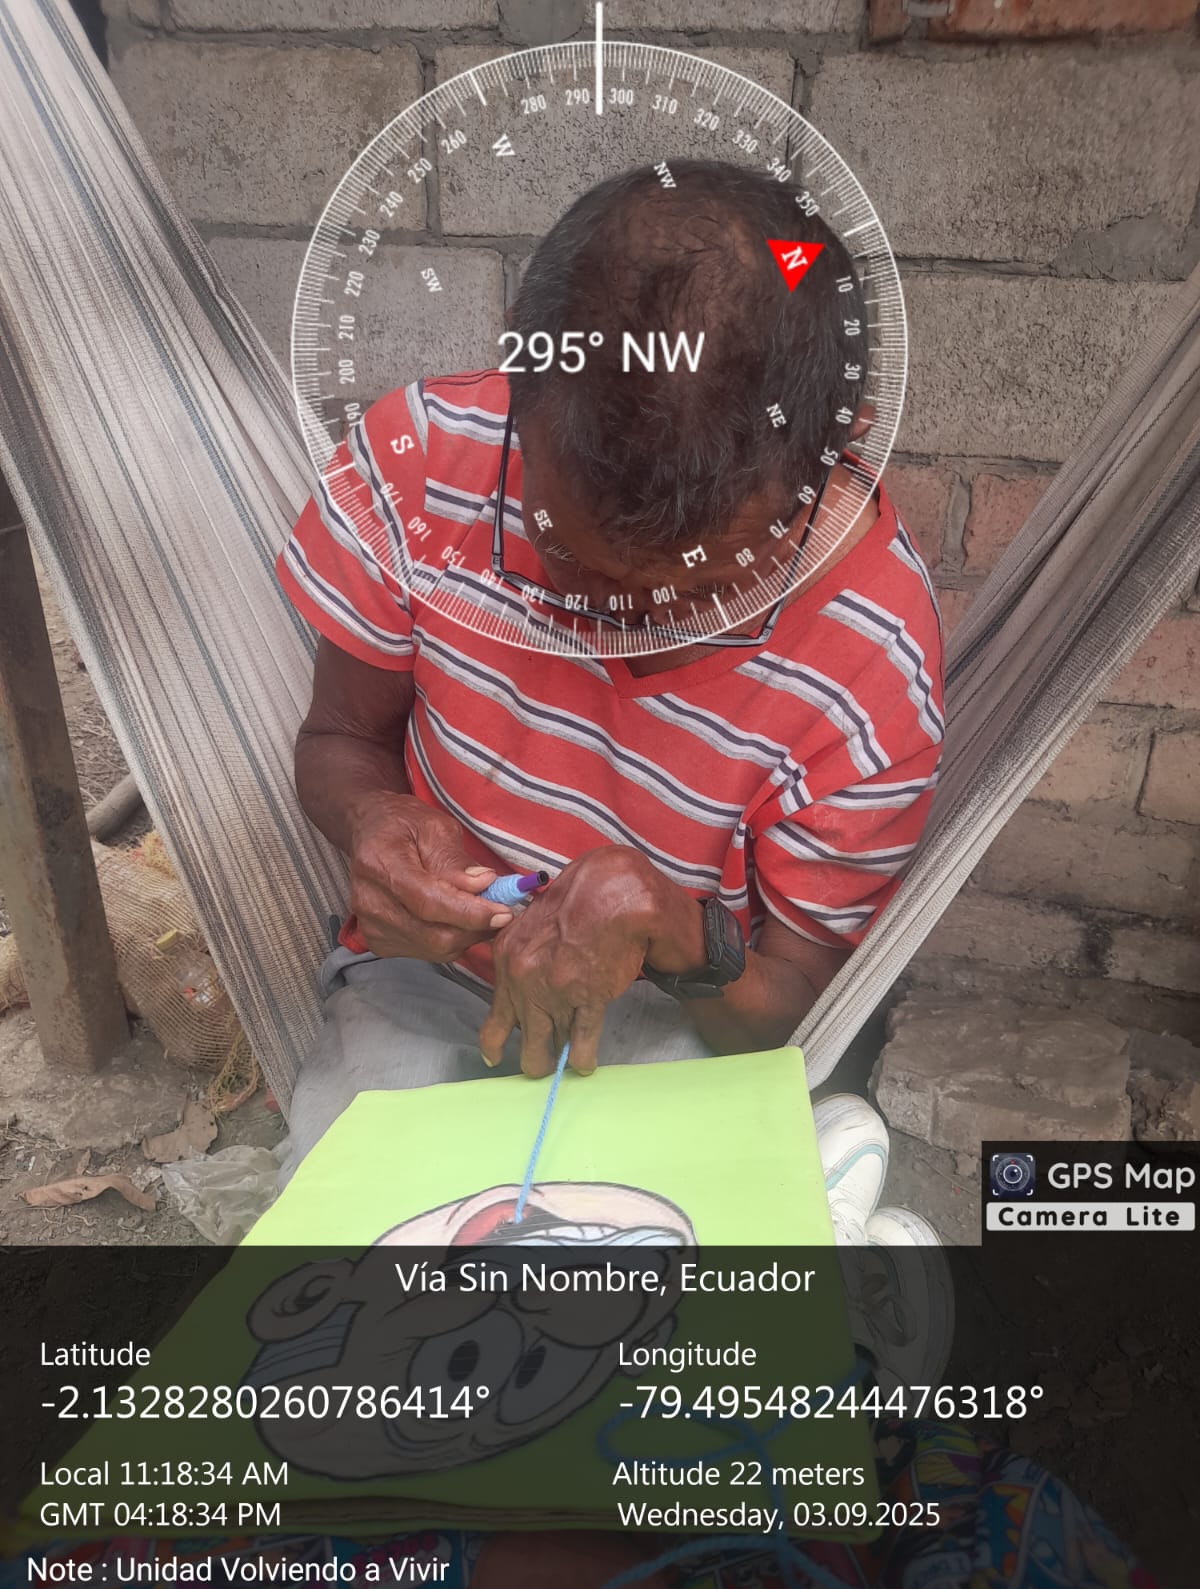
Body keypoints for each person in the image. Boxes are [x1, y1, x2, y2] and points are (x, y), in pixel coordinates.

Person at [275, 160, 946, 1197]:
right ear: (520, 371)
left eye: (706, 589)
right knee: (368, 1227)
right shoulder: (419, 471)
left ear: (835, 451)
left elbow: (792, 1002)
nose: (623, 633)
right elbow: (339, 742)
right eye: (572, 563)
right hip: (428, 987)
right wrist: (371, 816)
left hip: (680, 1019)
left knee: (648, 1248)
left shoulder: (873, 661)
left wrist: (681, 935)